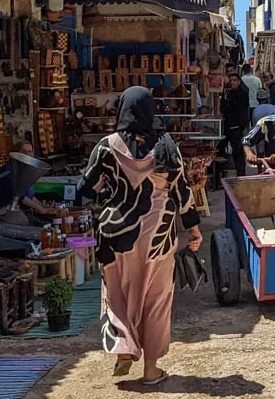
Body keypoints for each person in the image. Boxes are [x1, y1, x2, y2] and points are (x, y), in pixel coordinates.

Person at [79, 86, 202, 385]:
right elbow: (182, 193)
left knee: (117, 294)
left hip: (113, 235)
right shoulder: (165, 146)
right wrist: (194, 229)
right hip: (156, 237)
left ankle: (124, 346)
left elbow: (85, 188)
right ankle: (151, 370)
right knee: (156, 300)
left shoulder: (106, 146)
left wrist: (112, 193)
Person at [0, 139, 58, 223]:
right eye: (24, 152)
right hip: (6, 211)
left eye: (30, 151)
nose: (28, 155)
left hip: (21, 210)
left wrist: (44, 206)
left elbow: (29, 196)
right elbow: (20, 197)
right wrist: (41, 209)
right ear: (17, 153)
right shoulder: (9, 169)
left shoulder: (25, 170)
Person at [220, 73, 251, 176]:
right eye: (231, 80)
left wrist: (241, 126)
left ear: (239, 81)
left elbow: (243, 112)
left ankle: (241, 173)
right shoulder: (227, 93)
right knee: (220, 148)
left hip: (237, 127)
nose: (232, 82)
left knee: (238, 151)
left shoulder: (242, 93)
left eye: (234, 80)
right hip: (227, 126)